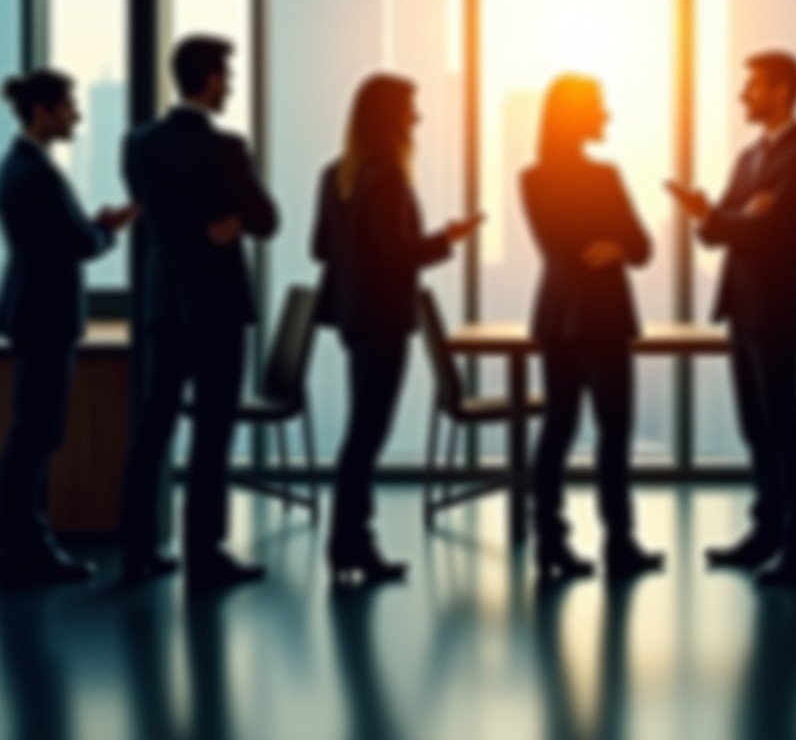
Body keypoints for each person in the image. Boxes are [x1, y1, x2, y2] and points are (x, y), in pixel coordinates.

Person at [119, 36, 279, 590]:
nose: (230, 86)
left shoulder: (138, 143)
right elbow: (268, 218)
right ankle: (203, 555)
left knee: (152, 426)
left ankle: (137, 549)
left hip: (166, 302)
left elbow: (160, 218)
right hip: (218, 307)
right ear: (209, 79)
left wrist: (199, 229)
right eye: (227, 76)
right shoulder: (227, 148)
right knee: (213, 433)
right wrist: (232, 218)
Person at [666, 51, 796, 589]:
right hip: (742, 305)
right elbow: (714, 234)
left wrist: (727, 217)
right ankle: (764, 535)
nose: (743, 97)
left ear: (781, 91)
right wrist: (722, 215)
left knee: (784, 430)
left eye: (753, 87)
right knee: (756, 430)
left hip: (777, 310)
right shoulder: (748, 158)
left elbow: (778, 235)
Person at [312, 73, 482, 586]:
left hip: (353, 317)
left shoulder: (335, 173)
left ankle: (348, 544)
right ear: (388, 117)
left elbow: (320, 249)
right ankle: (352, 543)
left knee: (359, 432)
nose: (417, 118)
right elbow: (399, 255)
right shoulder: (387, 178)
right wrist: (448, 238)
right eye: (410, 109)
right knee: (368, 435)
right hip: (384, 318)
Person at [521, 73, 663, 582]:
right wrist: (616, 243)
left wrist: (615, 244)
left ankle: (549, 544)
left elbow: (622, 247)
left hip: (558, 316)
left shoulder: (531, 178)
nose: (606, 116)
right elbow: (639, 246)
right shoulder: (604, 178)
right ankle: (619, 545)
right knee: (613, 433)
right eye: (599, 107)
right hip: (600, 317)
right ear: (576, 115)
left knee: (557, 432)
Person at [0, 70, 135, 585]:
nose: (76, 116)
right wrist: (107, 230)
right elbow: (72, 244)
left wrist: (93, 227)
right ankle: (26, 546)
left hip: (31, 311)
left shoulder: (20, 165)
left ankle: (23, 541)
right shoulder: (36, 174)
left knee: (31, 431)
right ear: (42, 112)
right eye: (68, 107)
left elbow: (58, 236)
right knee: (37, 432)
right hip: (46, 317)